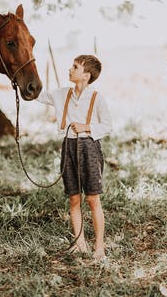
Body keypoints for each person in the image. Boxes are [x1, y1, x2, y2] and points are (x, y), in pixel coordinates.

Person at [36, 54, 112, 259]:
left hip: (89, 147)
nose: (70, 70)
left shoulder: (96, 98)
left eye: (75, 67)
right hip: (68, 146)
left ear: (86, 75)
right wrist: (19, 78)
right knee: (73, 198)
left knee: (93, 199)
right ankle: (80, 243)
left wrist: (87, 127)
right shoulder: (62, 94)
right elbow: (37, 94)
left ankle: (99, 246)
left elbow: (107, 125)